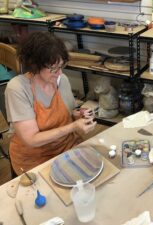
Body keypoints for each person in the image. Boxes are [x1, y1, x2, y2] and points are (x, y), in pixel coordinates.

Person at [5, 31, 97, 175]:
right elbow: (32, 139)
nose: (59, 73)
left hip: (65, 145)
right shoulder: (18, 88)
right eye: (53, 68)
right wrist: (73, 126)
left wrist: (79, 115)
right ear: (34, 65)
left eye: (61, 66)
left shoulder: (62, 80)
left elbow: (68, 114)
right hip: (34, 157)